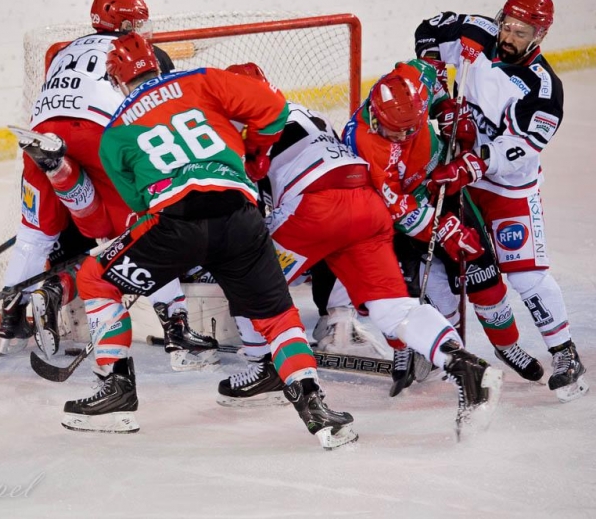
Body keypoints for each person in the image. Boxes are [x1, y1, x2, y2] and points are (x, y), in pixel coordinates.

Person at [59, 33, 358, 450]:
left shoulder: (114, 134)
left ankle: (116, 393)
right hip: (240, 216)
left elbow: (138, 204)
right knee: (278, 317)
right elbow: (274, 111)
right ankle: (318, 412)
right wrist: (253, 152)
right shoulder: (202, 80)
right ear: (159, 65)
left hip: (176, 222)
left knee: (95, 278)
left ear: (117, 82)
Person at [214, 63, 503, 432]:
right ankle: (466, 367)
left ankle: (264, 367)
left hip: (316, 209)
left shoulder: (242, 123)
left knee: (246, 276)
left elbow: (248, 198)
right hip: (366, 206)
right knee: (393, 309)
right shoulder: (307, 111)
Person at [0, 0, 218, 371]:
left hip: (44, 133)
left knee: (34, 234)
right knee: (148, 226)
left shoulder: (65, 50)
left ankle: (11, 323)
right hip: (101, 136)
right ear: (128, 24)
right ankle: (177, 329)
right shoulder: (139, 52)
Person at [415, 0, 588, 402]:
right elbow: (428, 32)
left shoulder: (544, 90)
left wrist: (470, 163)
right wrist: (437, 84)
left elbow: (522, 148)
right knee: (465, 267)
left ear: (539, 36)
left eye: (520, 31)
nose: (508, 35)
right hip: (463, 178)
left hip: (508, 187)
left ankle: (565, 354)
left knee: (526, 275)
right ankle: (446, 342)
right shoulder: (477, 31)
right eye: (507, 24)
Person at [342, 58, 543, 395]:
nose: (405, 136)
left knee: (485, 280)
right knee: (396, 292)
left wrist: (449, 109)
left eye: (412, 127)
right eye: (397, 131)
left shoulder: (410, 80)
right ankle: (402, 350)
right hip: (394, 218)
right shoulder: (366, 144)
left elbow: (431, 71)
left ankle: (506, 345)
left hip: (444, 186)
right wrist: (446, 231)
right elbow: (401, 210)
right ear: (376, 116)